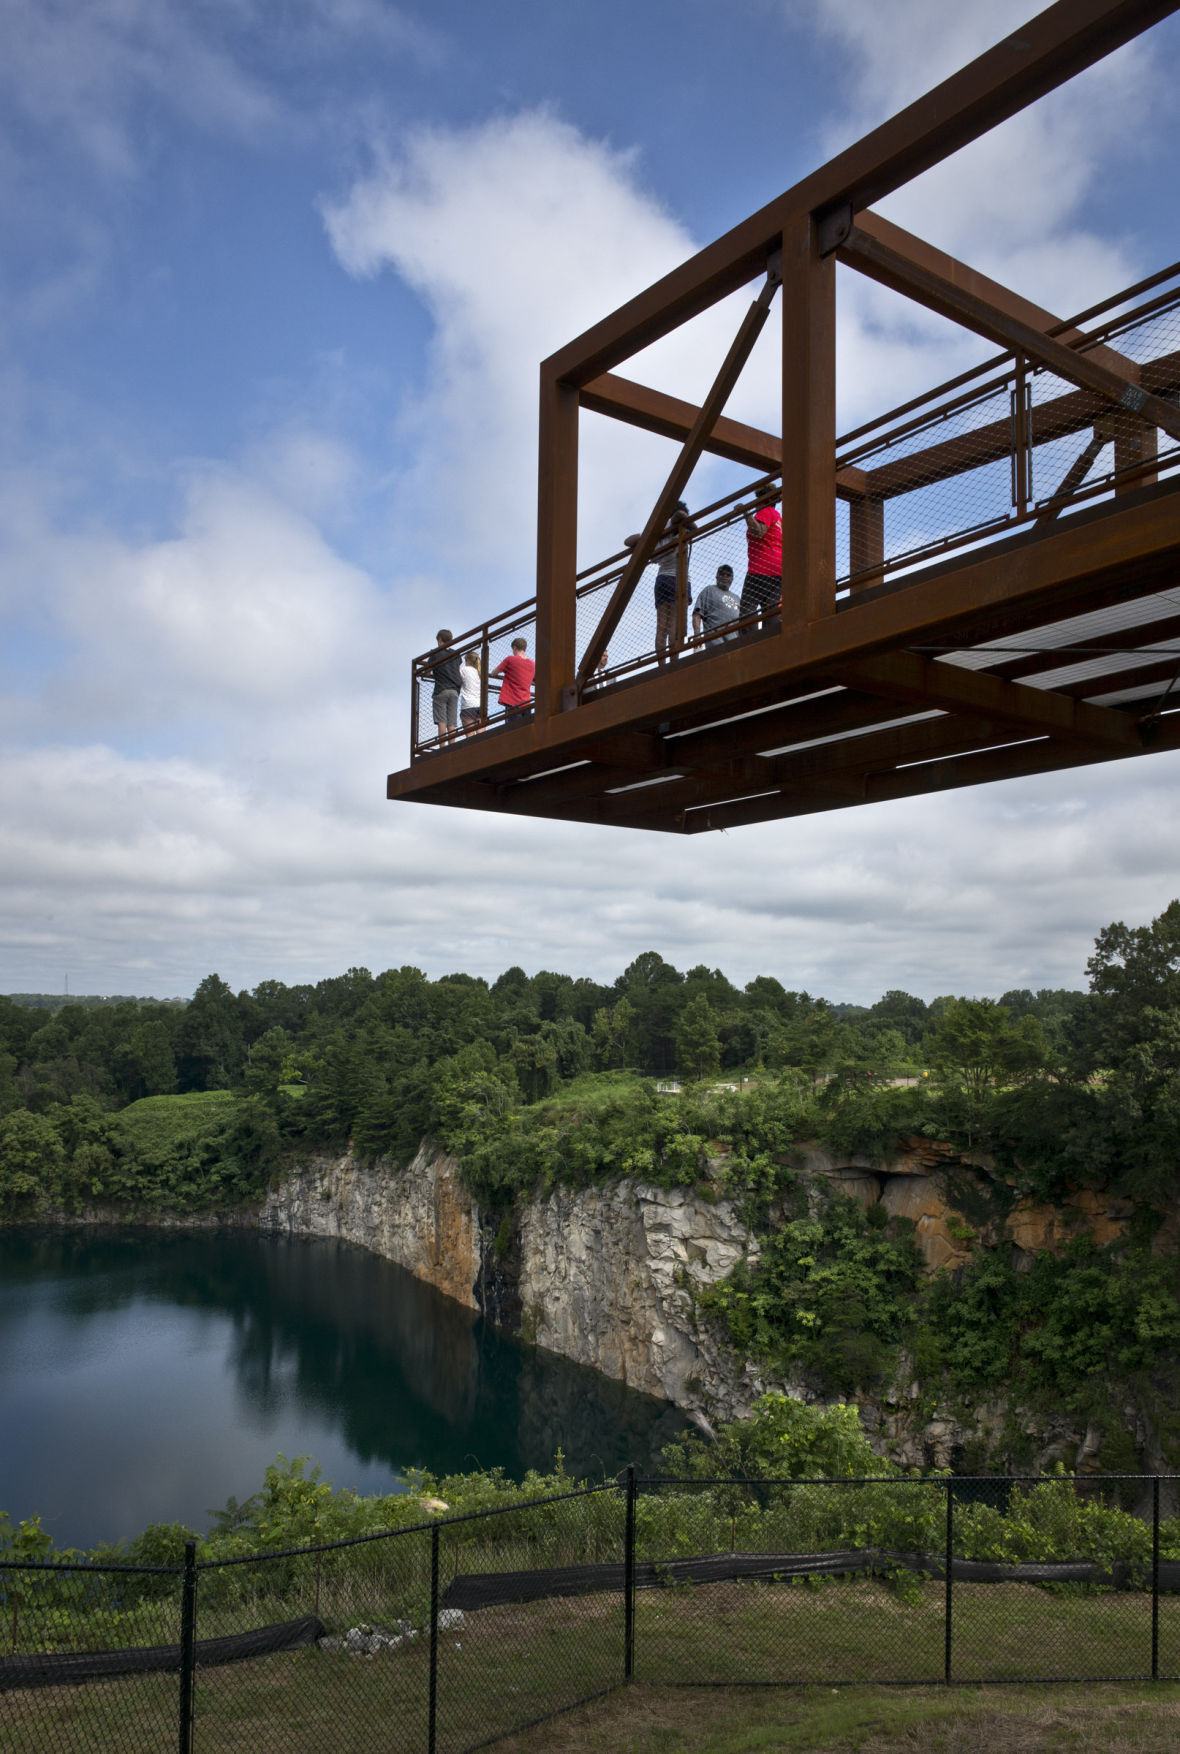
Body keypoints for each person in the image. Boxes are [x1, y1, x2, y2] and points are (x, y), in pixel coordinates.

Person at [625, 500, 695, 665]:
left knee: (661, 626)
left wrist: (651, 533)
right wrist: (680, 520)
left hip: (662, 579)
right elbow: (682, 516)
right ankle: (674, 662)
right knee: (675, 626)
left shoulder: (657, 538)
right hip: (680, 579)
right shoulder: (677, 528)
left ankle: (662, 666)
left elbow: (628, 541)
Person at [740, 482, 783, 629]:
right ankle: (771, 638)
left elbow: (758, 531)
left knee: (747, 608)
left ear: (762, 499)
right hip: (778, 570)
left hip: (761, 566)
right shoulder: (778, 517)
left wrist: (745, 513)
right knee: (771, 609)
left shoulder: (765, 510)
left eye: (757, 497)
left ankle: (749, 642)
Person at [692, 565, 742, 647]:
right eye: (722, 574)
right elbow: (697, 613)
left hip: (734, 642)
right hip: (715, 642)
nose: (725, 576)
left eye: (728, 575)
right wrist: (697, 635)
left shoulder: (737, 598)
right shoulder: (709, 590)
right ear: (717, 577)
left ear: (732, 578)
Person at [430, 628, 462, 744]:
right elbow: (458, 670)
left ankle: (443, 747)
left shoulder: (435, 653)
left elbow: (427, 669)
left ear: (439, 639)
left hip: (441, 689)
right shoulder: (456, 654)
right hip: (454, 691)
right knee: (451, 722)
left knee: (441, 721)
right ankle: (452, 746)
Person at [492, 636, 535, 721]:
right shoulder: (532, 664)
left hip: (513, 702)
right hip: (527, 703)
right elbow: (534, 680)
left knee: (512, 730)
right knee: (526, 731)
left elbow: (494, 673)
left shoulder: (510, 659)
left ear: (515, 647)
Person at [458, 650, 483, 734]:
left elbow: (457, 680)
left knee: (470, 739)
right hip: (480, 706)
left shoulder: (464, 670)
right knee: (482, 737)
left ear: (467, 660)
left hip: (468, 706)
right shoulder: (480, 673)